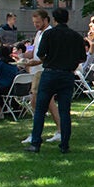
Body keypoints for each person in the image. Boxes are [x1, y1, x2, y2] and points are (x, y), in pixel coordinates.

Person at [26, 8, 82, 154]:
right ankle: (64, 145)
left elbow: (40, 54)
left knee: (40, 109)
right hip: (67, 75)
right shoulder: (75, 36)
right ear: (67, 19)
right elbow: (82, 57)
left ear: (54, 20)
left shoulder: (49, 34)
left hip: (50, 73)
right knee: (65, 111)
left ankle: (36, 143)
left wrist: (49, 61)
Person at [0, 45, 21, 113]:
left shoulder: (0, 63)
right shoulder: (13, 62)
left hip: (4, 88)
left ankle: (2, 109)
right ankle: (13, 107)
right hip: (14, 88)